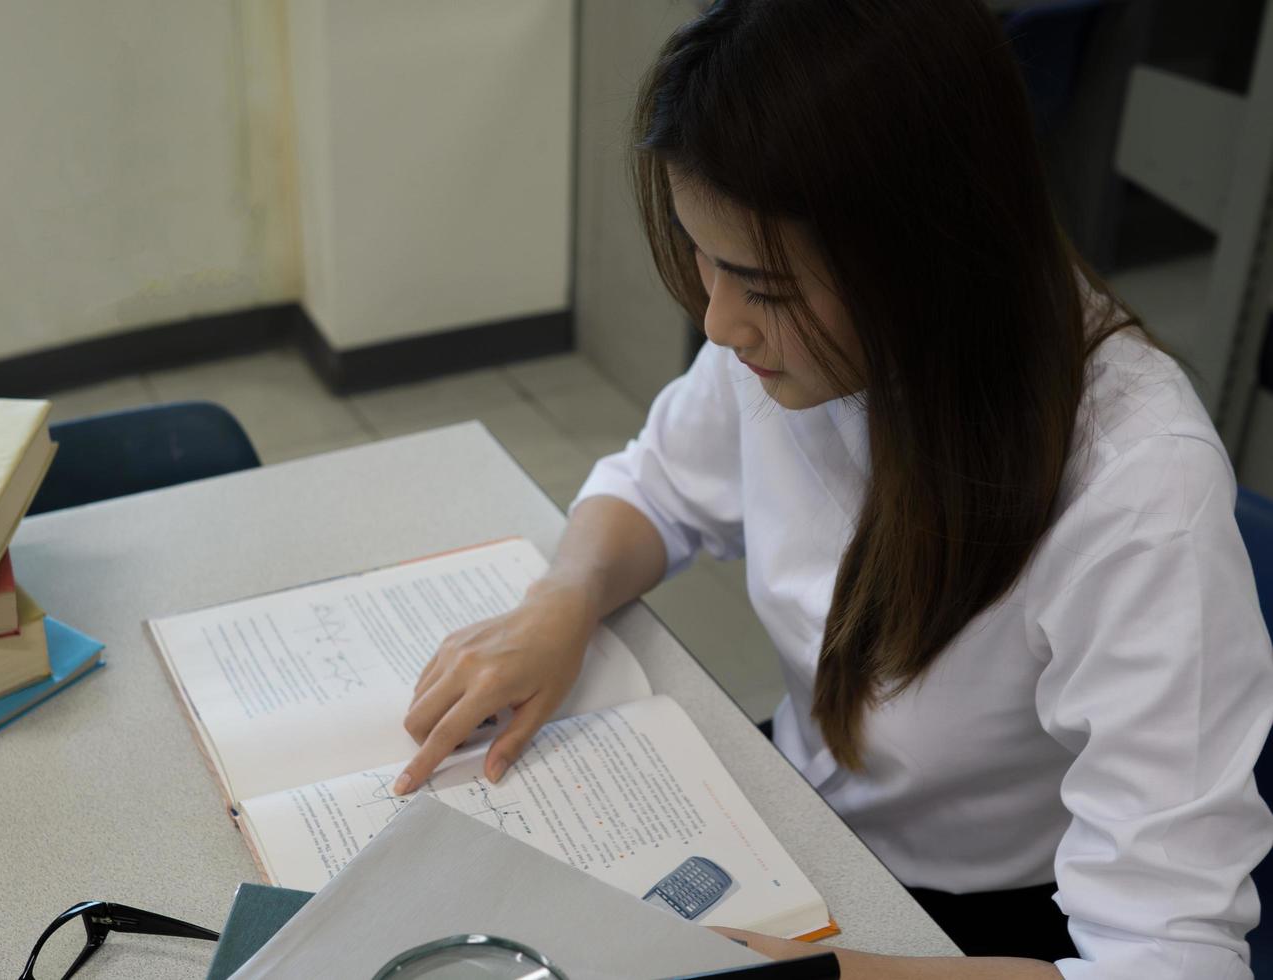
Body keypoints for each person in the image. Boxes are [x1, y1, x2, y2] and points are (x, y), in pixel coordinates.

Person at [394, 1, 1273, 976]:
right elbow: (658, 486)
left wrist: (823, 968)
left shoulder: (1137, 494)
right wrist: (564, 598)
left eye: (762, 287)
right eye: (706, 261)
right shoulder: (801, 347)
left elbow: (1175, 959)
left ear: (924, 254)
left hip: (974, 923)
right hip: (800, 819)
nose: (719, 324)